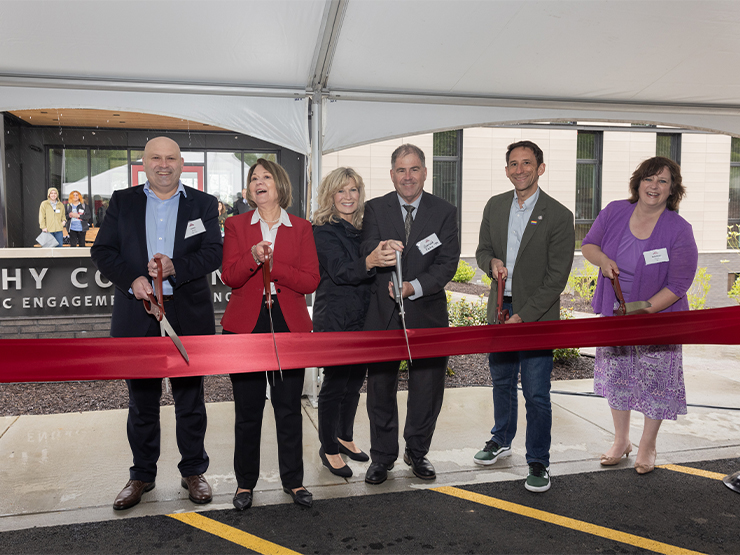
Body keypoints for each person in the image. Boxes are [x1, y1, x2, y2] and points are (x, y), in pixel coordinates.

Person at [91, 136, 222, 510]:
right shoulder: (123, 201)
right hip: (138, 314)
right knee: (141, 402)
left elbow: (214, 252)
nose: (163, 165)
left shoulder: (203, 203)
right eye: (155, 158)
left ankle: (193, 471)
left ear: (182, 163)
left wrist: (175, 268)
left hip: (188, 314)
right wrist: (133, 279)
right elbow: (103, 250)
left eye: (170, 158)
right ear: (143, 163)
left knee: (191, 400)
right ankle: (142, 475)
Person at [581, 156, 698, 475]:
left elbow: (678, 284)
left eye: (663, 181)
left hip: (657, 318)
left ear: (672, 189)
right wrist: (603, 260)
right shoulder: (615, 211)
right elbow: (589, 245)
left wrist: (639, 311)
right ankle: (621, 441)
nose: (654, 186)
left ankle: (648, 445)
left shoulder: (679, 229)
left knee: (655, 382)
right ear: (638, 182)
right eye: (649, 179)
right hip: (614, 313)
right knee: (618, 378)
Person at [474, 140, 574, 493]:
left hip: (537, 317)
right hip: (500, 311)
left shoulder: (559, 216)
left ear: (540, 168)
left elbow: (556, 279)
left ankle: (539, 460)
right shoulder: (495, 206)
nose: (520, 169)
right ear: (506, 170)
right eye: (513, 164)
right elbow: (482, 249)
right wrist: (492, 263)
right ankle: (501, 439)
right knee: (501, 382)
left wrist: (525, 316)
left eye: (527, 163)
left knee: (536, 393)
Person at [221, 159, 320, 510]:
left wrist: (274, 268)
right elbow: (229, 276)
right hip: (246, 326)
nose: (259, 182)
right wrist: (252, 257)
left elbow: (310, 281)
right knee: (247, 411)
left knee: (288, 409)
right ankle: (244, 484)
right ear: (249, 190)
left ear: (279, 184)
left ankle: (293, 481)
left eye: (265, 177)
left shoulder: (302, 228)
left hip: (289, 324)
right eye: (253, 178)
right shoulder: (235, 225)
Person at [360, 144, 460, 485]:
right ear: (392, 174)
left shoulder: (444, 211)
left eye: (414, 169)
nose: (407, 177)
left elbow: (447, 264)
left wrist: (413, 286)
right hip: (383, 314)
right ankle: (382, 458)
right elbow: (367, 250)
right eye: (401, 170)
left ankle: (417, 452)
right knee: (380, 388)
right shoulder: (374, 208)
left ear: (425, 172)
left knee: (427, 389)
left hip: (427, 313)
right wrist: (382, 254)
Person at [312, 167, 393, 478]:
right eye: (341, 191)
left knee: (355, 381)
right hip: (335, 318)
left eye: (353, 190)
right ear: (330, 196)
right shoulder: (322, 230)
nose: (348, 197)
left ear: (360, 194)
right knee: (334, 384)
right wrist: (370, 261)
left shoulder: (363, 229)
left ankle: (345, 436)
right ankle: (328, 448)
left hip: (364, 316)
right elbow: (341, 271)